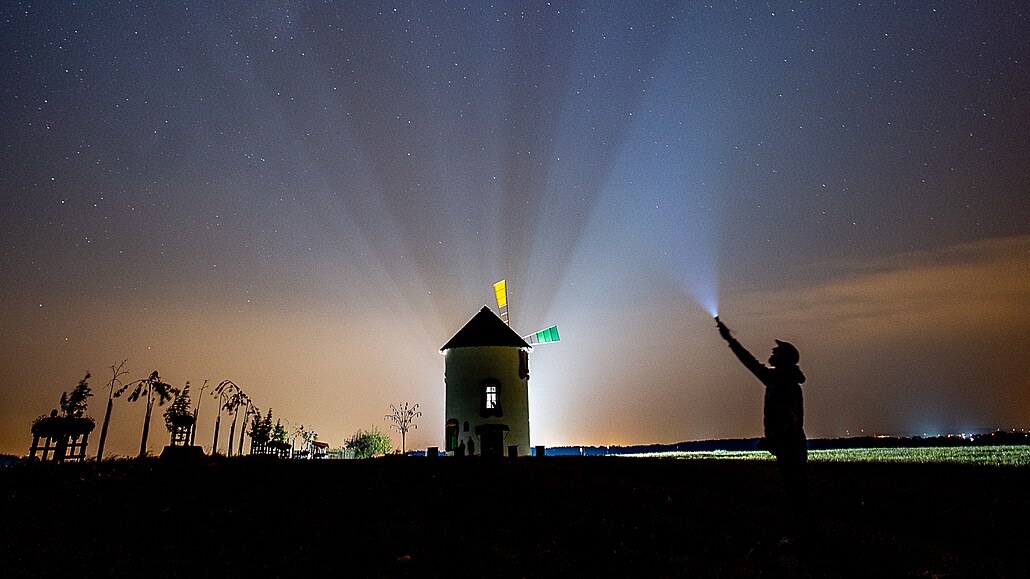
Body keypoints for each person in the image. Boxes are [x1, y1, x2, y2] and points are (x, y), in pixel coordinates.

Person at [716, 317, 808, 513]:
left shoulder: (784, 384)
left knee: (797, 496)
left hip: (790, 449)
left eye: (778, 350)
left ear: (785, 358)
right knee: (796, 495)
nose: (773, 351)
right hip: (791, 448)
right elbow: (751, 363)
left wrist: (775, 441)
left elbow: (791, 422)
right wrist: (730, 340)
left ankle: (807, 537)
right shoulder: (778, 380)